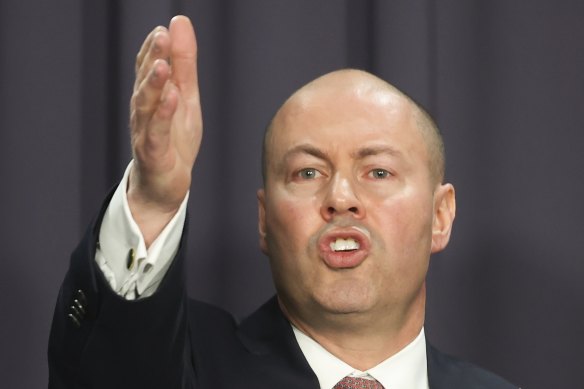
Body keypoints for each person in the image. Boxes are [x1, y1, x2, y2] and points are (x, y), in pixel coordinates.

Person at [48, 16, 517, 389]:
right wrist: (153, 201)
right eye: (308, 172)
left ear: (440, 216)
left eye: (378, 171)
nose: (340, 198)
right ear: (265, 222)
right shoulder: (187, 364)